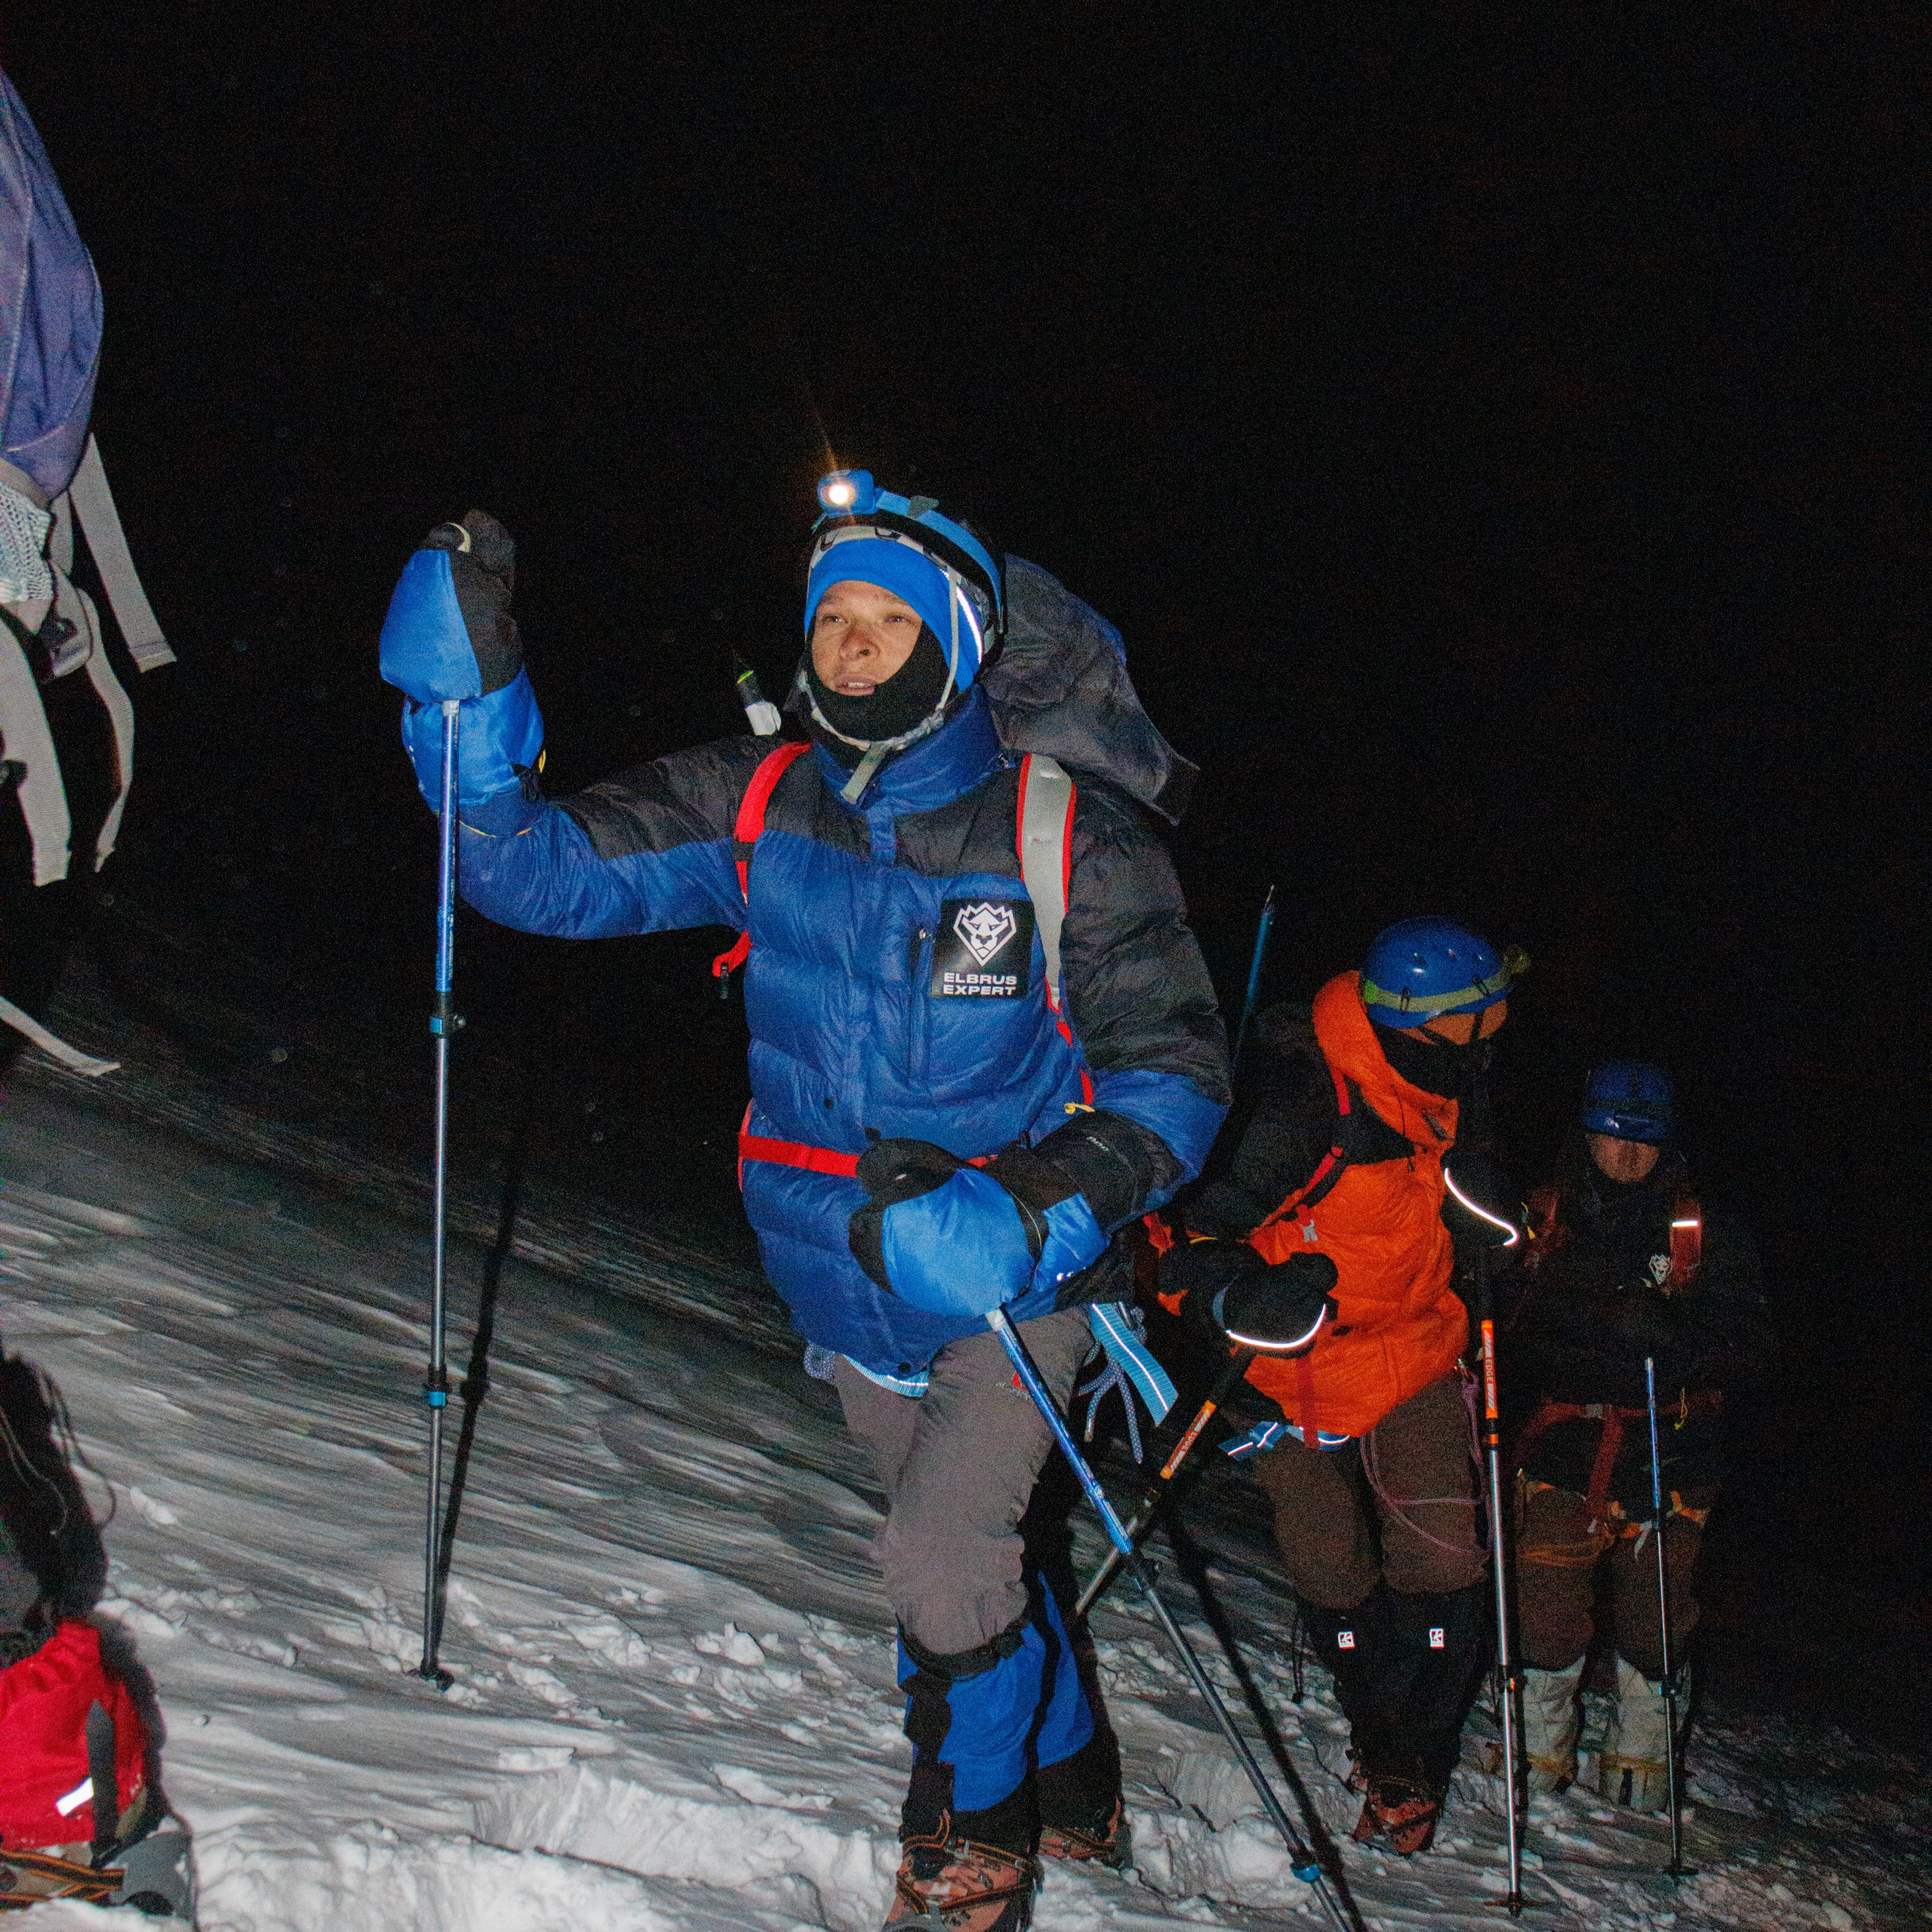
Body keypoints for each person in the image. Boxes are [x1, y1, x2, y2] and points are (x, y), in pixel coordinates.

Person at [377, 473, 1229, 1932]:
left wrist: (1036, 1210)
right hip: (834, 1268)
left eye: (891, 619)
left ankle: (972, 1844)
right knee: (965, 1560)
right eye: (835, 617)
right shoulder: (759, 799)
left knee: (938, 1558)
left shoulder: (1066, 835)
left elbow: (1175, 1075)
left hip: (1021, 1281)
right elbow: (535, 879)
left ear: (957, 642)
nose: (853, 646)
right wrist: (466, 720)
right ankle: (1074, 1776)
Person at [1157, 918, 1518, 1856]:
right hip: (1294, 1369)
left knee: (1444, 1563)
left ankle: (1410, 1762)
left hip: (1417, 1350)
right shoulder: (1300, 1097)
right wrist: (1234, 1289)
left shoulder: (1451, 1085)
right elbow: (1180, 1236)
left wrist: (1488, 1232)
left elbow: (1441, 1213)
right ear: (1428, 1024)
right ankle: (1379, 1734)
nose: (1499, 1030)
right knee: (1331, 1567)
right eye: (1486, 1015)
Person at [1509, 1062, 1770, 1811]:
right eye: (1611, 1139)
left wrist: (1679, 1340)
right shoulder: (1542, 1216)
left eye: (1644, 1143)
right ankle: (1535, 1751)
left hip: (1671, 1456)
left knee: (1654, 1618)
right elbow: (1496, 1317)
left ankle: (1642, 1762)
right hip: (1564, 1451)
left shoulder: (1704, 1232)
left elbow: (1754, 1346)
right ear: (1585, 1133)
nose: (1625, 1157)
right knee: (1548, 1611)